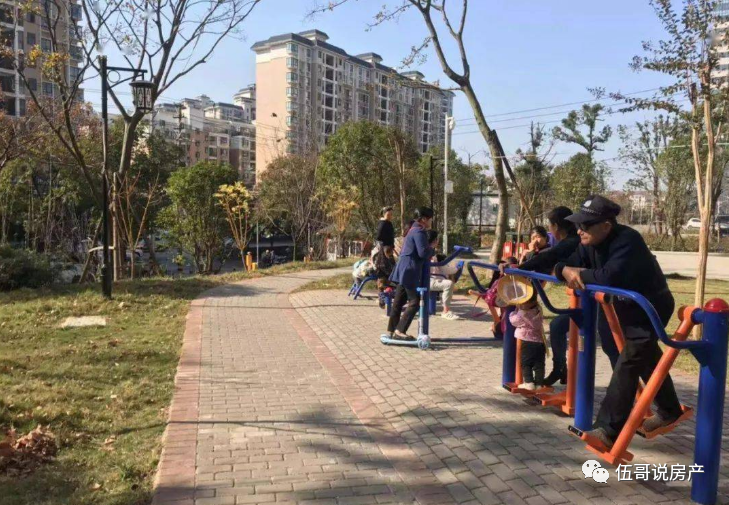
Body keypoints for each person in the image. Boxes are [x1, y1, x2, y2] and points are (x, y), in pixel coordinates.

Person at [554, 194, 683, 448]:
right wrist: (563, 269)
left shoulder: (628, 239)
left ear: (606, 226)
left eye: (585, 225)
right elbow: (568, 264)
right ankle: (669, 409)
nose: (579, 230)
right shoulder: (589, 241)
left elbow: (608, 277)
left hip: (649, 307)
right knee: (642, 358)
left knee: (629, 361)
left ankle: (607, 430)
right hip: (621, 307)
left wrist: (580, 273)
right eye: (578, 225)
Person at [513, 206, 620, 386]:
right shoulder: (578, 244)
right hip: (586, 300)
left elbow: (552, 257)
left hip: (602, 301)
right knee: (557, 326)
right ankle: (560, 369)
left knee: (610, 344)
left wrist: (522, 268)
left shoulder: (575, 242)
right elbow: (553, 261)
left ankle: (623, 388)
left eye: (584, 227)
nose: (580, 232)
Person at [386, 207, 435, 340]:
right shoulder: (419, 231)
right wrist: (432, 249)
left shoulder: (413, 229)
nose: (430, 222)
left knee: (399, 301)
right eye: (430, 219)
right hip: (409, 269)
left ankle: (391, 330)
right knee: (415, 302)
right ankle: (400, 331)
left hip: (403, 268)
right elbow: (423, 252)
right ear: (424, 219)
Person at [509, 291, 546, 391]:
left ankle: (529, 383)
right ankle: (539, 384)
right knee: (539, 364)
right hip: (539, 341)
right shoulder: (538, 310)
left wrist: (514, 312)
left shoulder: (522, 313)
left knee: (526, 363)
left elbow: (514, 321)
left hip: (527, 341)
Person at [426, 231, 460, 320]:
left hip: (426, 279)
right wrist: (458, 267)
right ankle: (445, 311)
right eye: (437, 239)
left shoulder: (427, 251)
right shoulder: (431, 253)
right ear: (435, 240)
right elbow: (446, 269)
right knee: (449, 284)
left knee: (446, 283)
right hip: (428, 280)